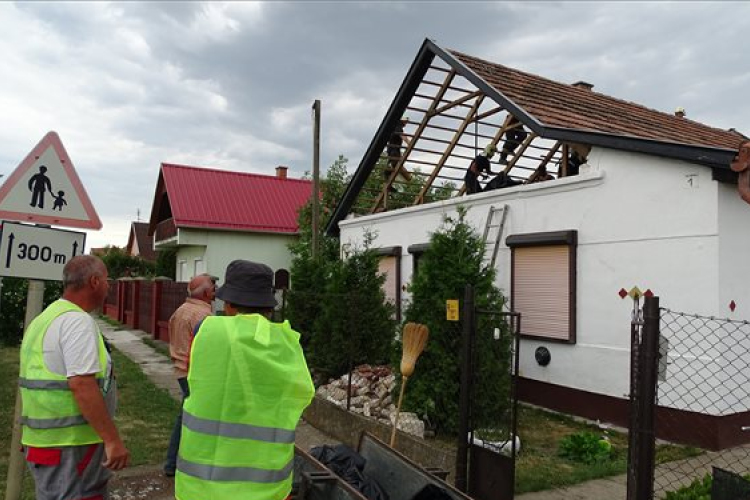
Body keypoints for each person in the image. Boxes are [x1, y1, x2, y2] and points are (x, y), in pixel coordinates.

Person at [175, 260, 315, 500]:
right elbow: (302, 394)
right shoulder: (287, 343)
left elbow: (194, 375)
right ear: (269, 308)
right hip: (266, 485)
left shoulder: (207, 331)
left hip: (201, 484)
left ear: (228, 304)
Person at [19, 255, 129, 500]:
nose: (109, 287)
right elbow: (82, 385)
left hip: (44, 443)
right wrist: (112, 440)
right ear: (94, 282)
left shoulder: (44, 319)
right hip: (72, 446)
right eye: (107, 280)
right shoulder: (77, 322)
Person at [163, 273, 216, 477]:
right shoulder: (203, 317)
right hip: (195, 372)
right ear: (204, 293)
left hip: (181, 370)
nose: (214, 291)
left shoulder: (180, 311)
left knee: (185, 415)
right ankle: (178, 463)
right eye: (212, 288)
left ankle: (173, 463)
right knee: (193, 418)